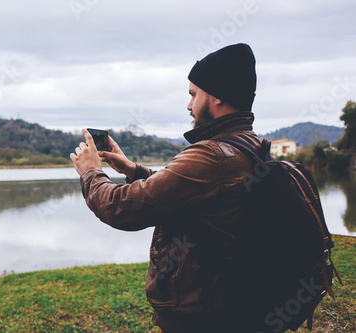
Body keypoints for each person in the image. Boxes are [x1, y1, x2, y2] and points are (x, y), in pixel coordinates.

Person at [70, 43, 259, 333]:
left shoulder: (210, 155)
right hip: (233, 304)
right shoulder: (248, 144)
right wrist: (135, 171)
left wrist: (90, 172)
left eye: (193, 94)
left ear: (217, 96)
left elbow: (121, 209)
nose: (188, 106)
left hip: (201, 315)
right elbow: (192, 192)